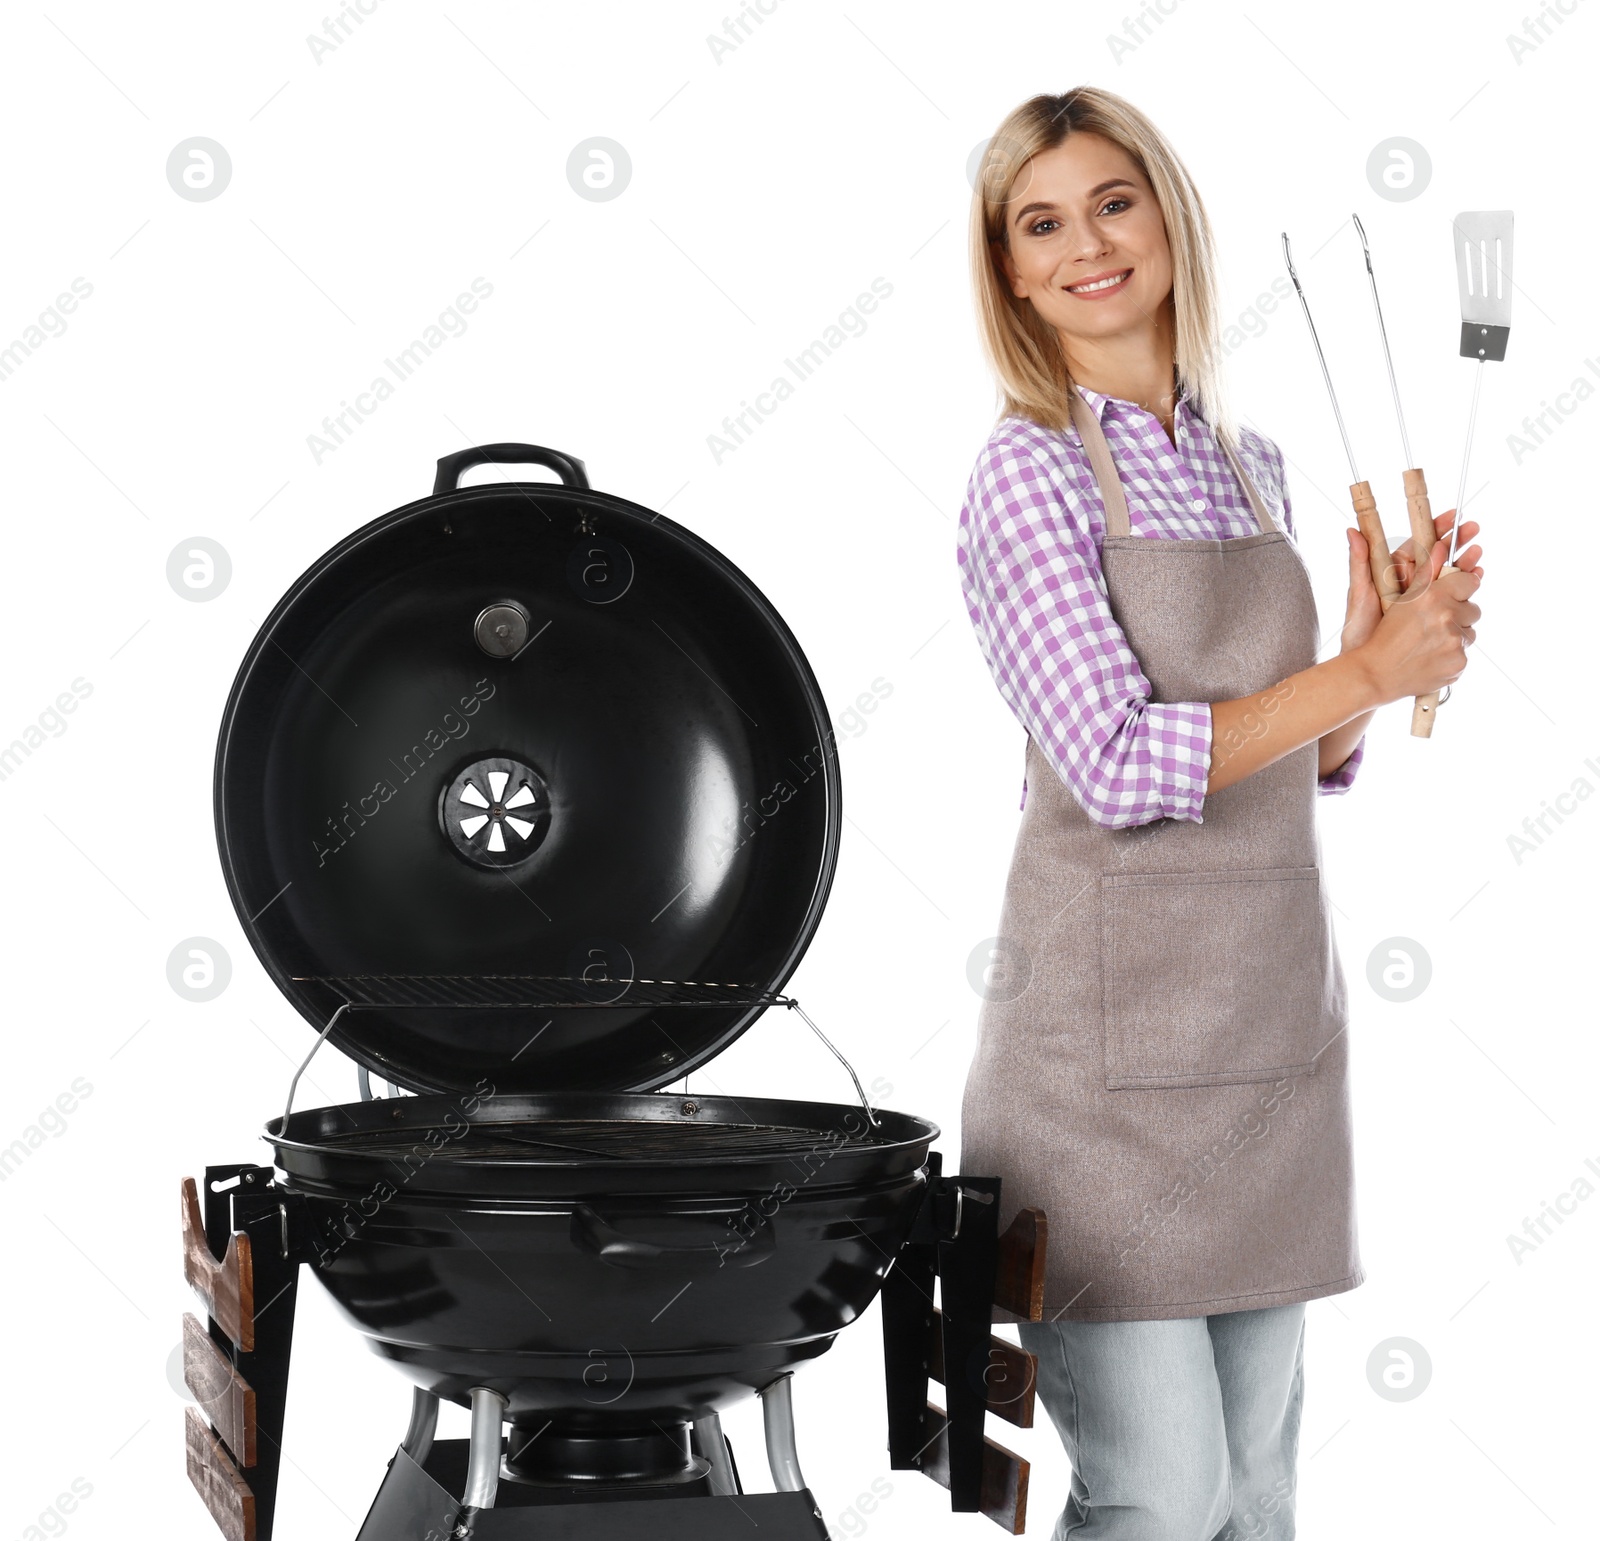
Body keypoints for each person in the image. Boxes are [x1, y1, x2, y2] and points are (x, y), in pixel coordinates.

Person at [956, 88, 1482, 1541]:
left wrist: (1368, 664)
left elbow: (1303, 764)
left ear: (1168, 217)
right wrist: (1356, 669)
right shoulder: (1030, 472)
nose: (1085, 247)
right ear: (1009, 269)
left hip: (1265, 1064)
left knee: (1255, 1491)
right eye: (1040, 224)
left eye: (1111, 203)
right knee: (1161, 1490)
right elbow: (1122, 768)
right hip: (1097, 1088)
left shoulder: (1256, 466)